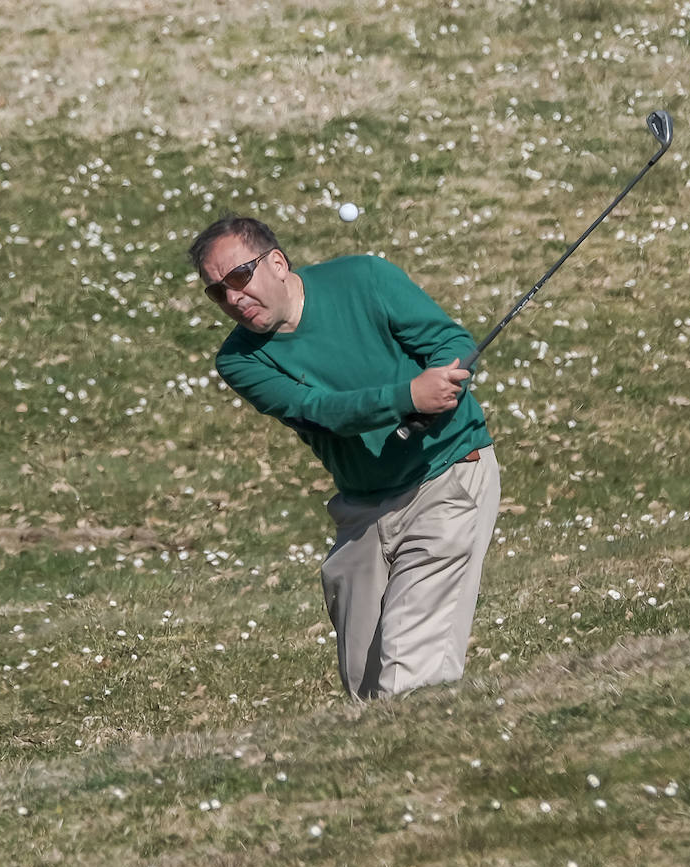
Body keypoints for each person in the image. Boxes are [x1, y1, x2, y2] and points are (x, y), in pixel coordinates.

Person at [188, 215, 500, 700]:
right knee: (365, 684)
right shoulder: (239, 360)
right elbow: (317, 411)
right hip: (363, 509)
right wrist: (408, 398)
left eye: (238, 277)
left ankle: (433, 766)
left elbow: (450, 341)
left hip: (448, 476)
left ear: (276, 262)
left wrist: (445, 379)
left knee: (410, 671)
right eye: (216, 292)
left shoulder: (364, 279)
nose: (232, 298)